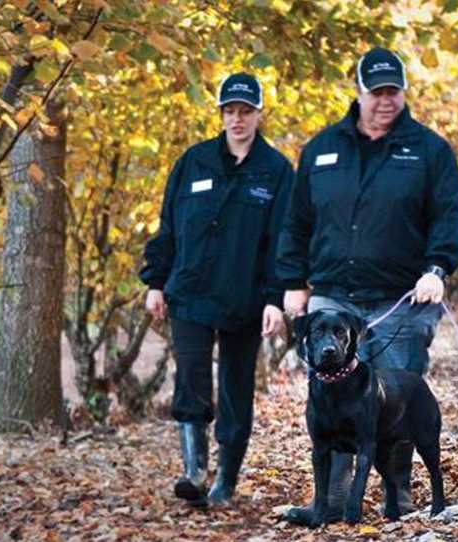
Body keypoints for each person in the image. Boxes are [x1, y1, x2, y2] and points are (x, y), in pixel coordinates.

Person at [276, 47, 458, 524]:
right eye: (376, 92)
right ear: (358, 92)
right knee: (332, 396)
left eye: (393, 92)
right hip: (332, 296)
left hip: (401, 298)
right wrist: (291, 282)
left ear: (403, 93)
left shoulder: (430, 151)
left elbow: (448, 220)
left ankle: (395, 497)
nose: (385, 101)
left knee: (395, 404)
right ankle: (334, 501)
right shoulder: (321, 149)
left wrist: (437, 269)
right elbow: (297, 222)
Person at [139, 72, 293, 508]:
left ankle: (226, 478)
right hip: (189, 291)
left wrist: (275, 299)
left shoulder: (277, 171)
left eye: (246, 111)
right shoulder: (194, 162)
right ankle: (194, 470)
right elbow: (168, 225)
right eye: (230, 111)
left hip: (245, 297)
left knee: (235, 387)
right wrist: (155, 280)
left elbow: (284, 241)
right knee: (190, 376)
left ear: (259, 114)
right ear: (221, 115)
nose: (238, 119)